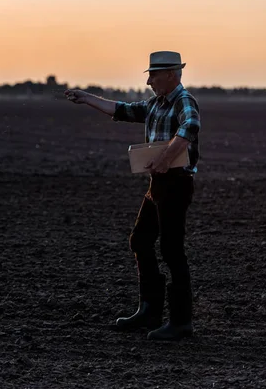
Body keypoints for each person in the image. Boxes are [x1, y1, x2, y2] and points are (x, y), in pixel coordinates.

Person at [64, 51, 201, 341]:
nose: (149, 80)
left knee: (172, 251)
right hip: (158, 185)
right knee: (140, 240)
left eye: (153, 75)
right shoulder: (155, 104)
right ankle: (149, 310)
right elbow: (123, 109)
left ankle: (180, 322)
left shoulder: (183, 101)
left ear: (172, 74)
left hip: (176, 184)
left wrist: (166, 157)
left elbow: (190, 128)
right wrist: (87, 98)